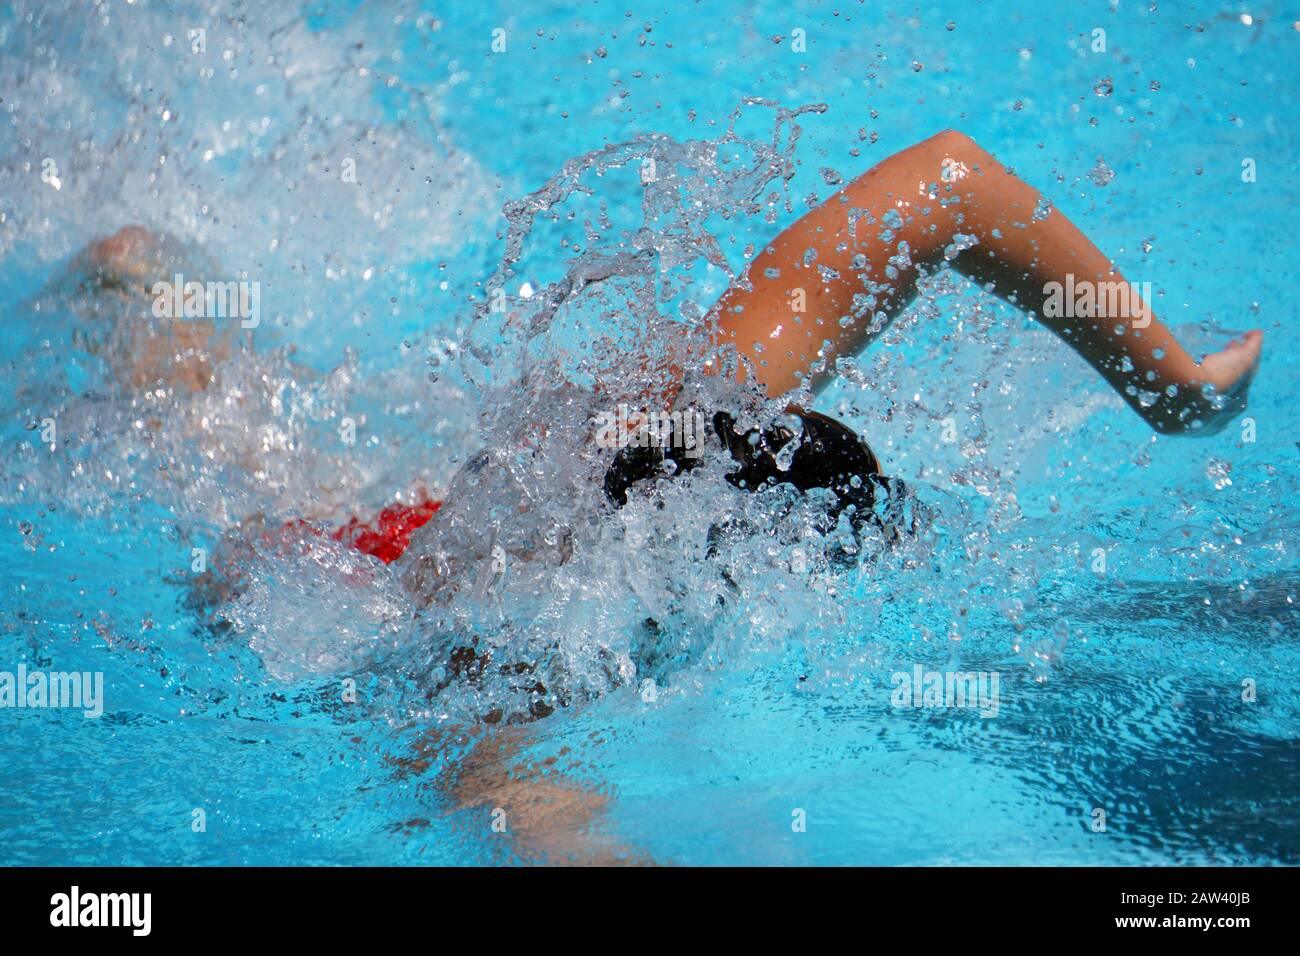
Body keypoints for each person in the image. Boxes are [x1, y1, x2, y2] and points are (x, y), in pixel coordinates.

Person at [61, 128, 1263, 863]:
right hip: (323, 568)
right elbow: (538, 820)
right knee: (207, 442)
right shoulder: (501, 664)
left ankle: (143, 286)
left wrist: (1176, 391)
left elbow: (947, 185)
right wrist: (1176, 401)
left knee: (275, 421)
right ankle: (129, 292)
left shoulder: (694, 393)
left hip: (434, 505)